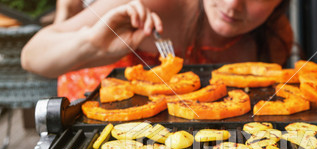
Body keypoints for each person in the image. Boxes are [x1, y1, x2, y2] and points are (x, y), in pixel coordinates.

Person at [21, 0, 293, 100]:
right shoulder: (151, 3)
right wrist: (92, 44)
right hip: (98, 100)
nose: (233, 5)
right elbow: (32, 57)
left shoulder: (275, 38)